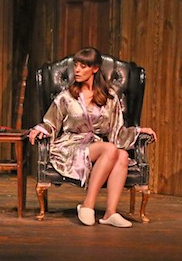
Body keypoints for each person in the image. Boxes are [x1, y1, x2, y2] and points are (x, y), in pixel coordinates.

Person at [28, 47, 157, 228]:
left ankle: (110, 213)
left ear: (95, 68)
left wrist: (139, 131)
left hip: (97, 145)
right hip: (70, 146)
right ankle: (87, 204)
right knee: (111, 149)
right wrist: (40, 129)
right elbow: (52, 122)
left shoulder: (109, 98)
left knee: (122, 155)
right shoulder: (66, 97)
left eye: (83, 66)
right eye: (76, 65)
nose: (77, 70)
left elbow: (117, 131)